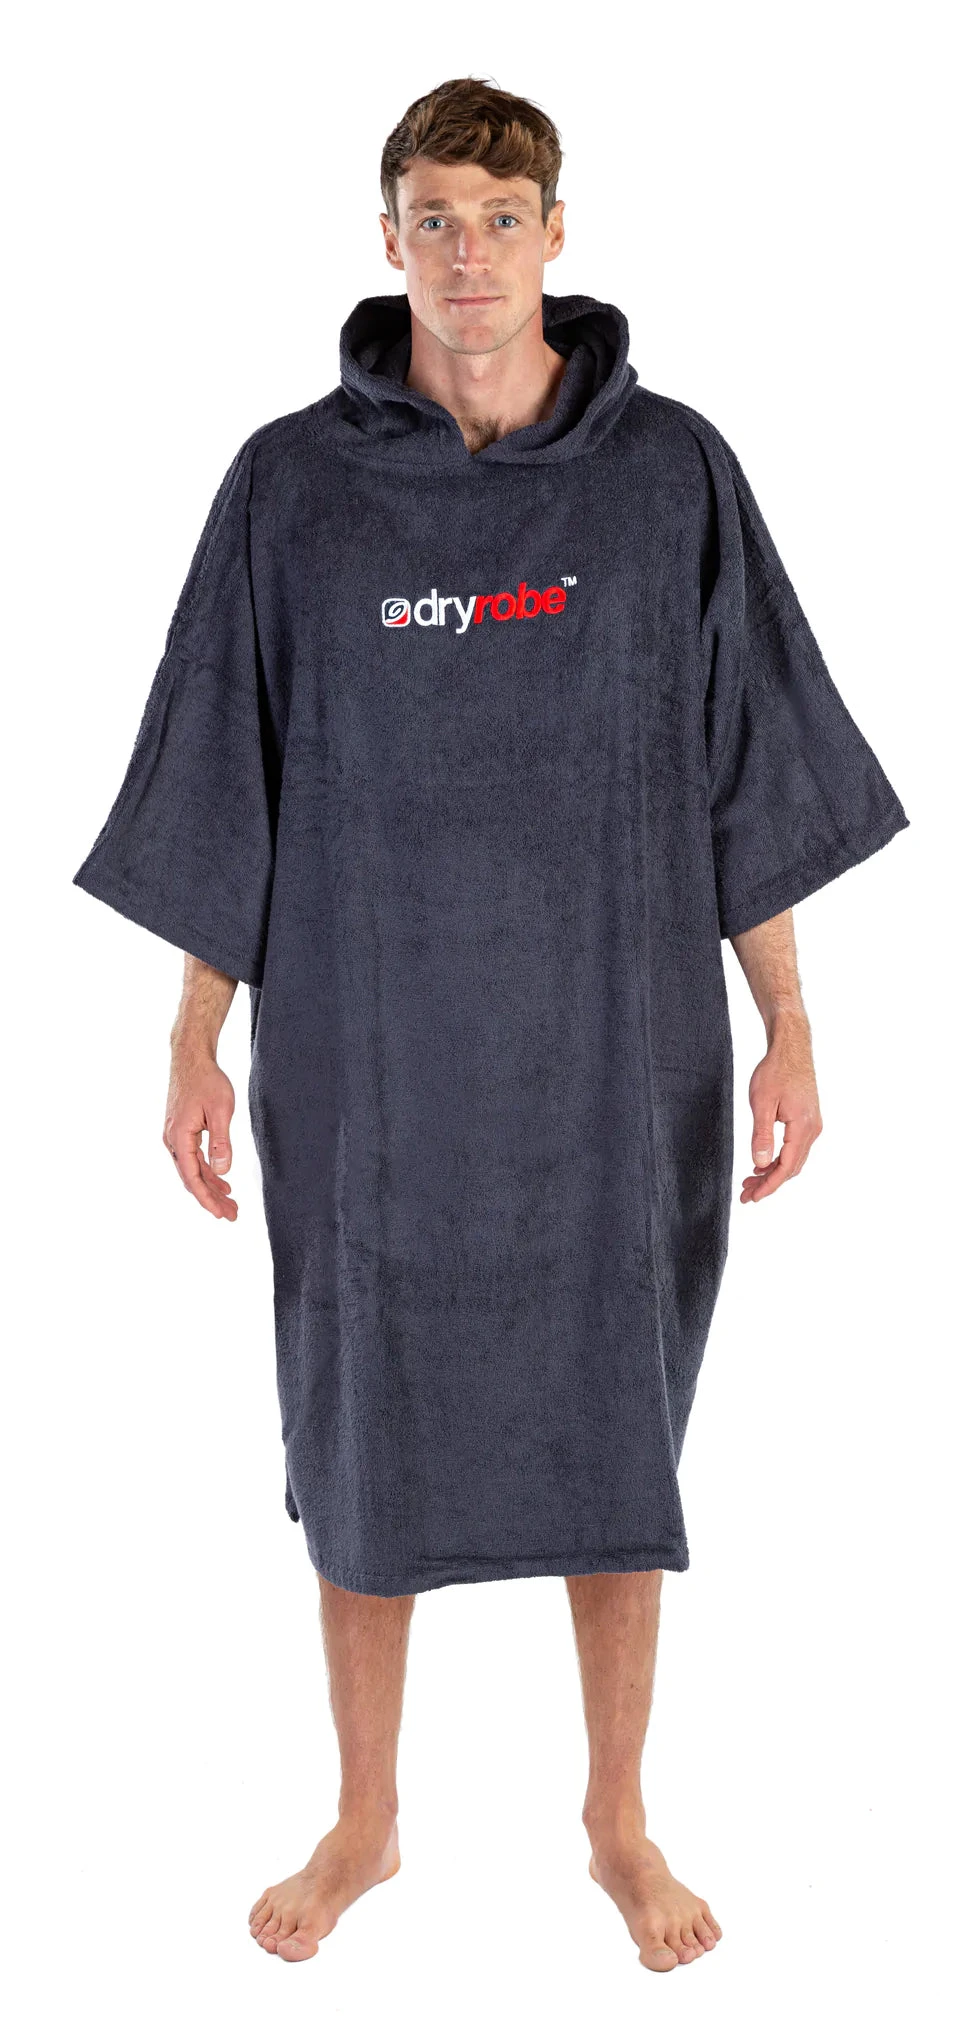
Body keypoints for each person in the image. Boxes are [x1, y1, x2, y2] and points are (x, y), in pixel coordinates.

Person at [72, 76, 909, 1972]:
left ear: (558, 235)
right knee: (361, 1420)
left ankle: (618, 1818)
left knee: (618, 1415)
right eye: (435, 218)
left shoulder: (667, 475)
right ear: (388, 240)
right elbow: (225, 772)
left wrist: (788, 1022)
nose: (469, 254)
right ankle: (366, 1818)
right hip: (368, 1063)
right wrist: (192, 1035)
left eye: (501, 217)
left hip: (617, 1055)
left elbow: (748, 765)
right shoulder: (293, 488)